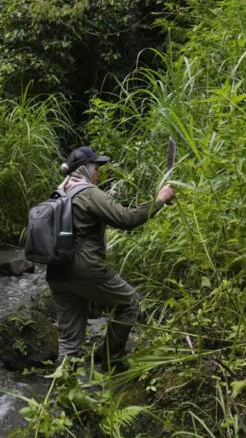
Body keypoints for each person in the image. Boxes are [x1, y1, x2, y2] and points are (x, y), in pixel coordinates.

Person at [46, 145, 175, 370]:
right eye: (96, 168)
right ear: (85, 170)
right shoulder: (88, 193)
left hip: (57, 272)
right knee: (129, 302)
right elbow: (127, 218)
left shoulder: (59, 193)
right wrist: (160, 200)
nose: (98, 174)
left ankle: (63, 395)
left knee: (69, 342)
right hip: (86, 269)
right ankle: (110, 359)